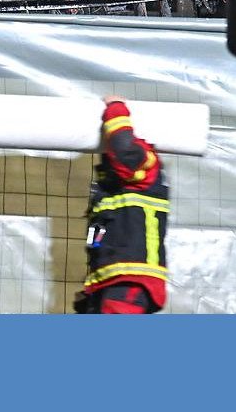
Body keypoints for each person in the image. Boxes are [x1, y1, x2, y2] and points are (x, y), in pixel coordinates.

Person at [75, 96, 169, 314]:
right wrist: (92, 291)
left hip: (130, 283)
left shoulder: (145, 161)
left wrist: (115, 108)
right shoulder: (111, 188)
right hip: (112, 284)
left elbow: (124, 150)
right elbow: (97, 239)